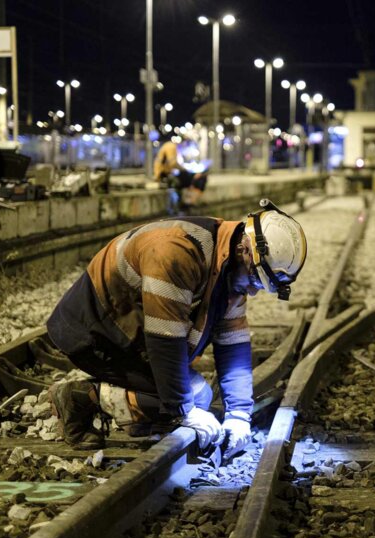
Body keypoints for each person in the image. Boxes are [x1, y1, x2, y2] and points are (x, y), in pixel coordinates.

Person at [45, 200, 307, 456]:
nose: (253, 290)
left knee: (194, 395)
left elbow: (233, 343)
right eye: (256, 280)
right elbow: (165, 342)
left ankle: (149, 410)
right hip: (94, 333)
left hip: (130, 331)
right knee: (192, 399)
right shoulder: (175, 253)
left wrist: (239, 413)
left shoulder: (230, 263)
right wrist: (184, 410)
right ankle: (81, 398)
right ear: (245, 251)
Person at [154, 139, 208, 213]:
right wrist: (186, 169)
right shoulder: (171, 147)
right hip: (164, 175)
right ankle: (189, 202)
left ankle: (189, 201)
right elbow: (173, 164)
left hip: (169, 174)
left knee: (200, 176)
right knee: (199, 177)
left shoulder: (175, 148)